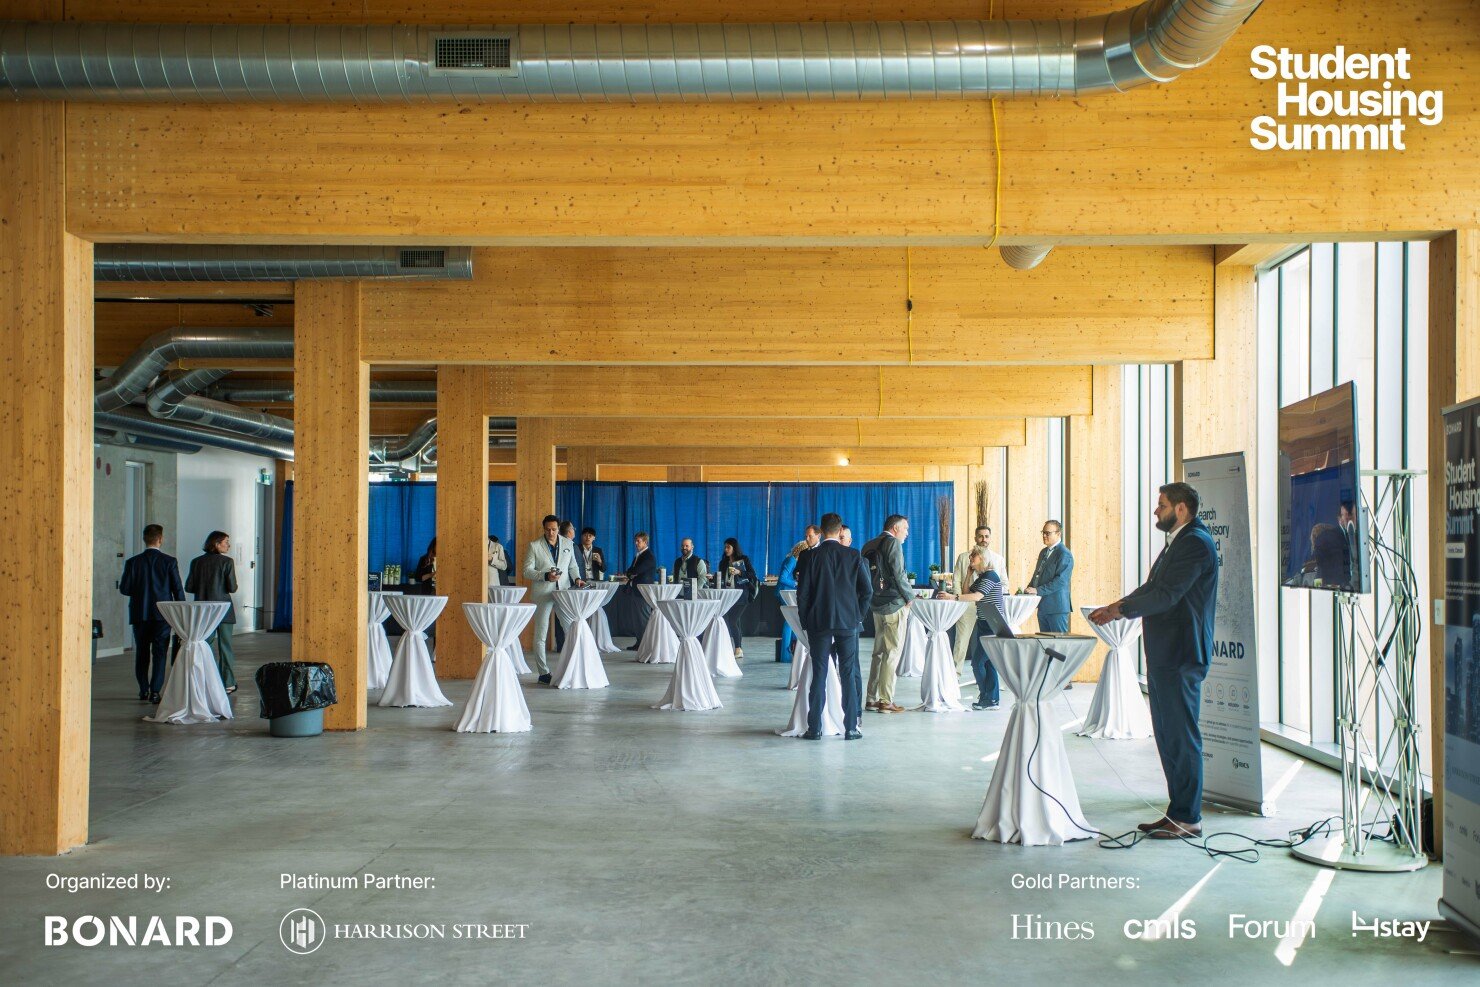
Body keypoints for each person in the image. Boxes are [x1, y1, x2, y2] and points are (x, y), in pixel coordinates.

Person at [1090, 482, 1219, 841]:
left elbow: (1167, 595)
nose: (1155, 511)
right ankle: (1177, 812)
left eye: (1161, 505)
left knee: (1181, 736)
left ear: (1181, 509)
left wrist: (1120, 610)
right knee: (1167, 736)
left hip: (1182, 654)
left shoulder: (1195, 543)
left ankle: (1189, 817)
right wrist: (1117, 606)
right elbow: (1151, 589)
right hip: (1167, 654)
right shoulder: (1178, 542)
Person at [796, 512, 872, 740]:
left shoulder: (811, 557)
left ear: (821, 530)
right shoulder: (853, 555)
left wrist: (805, 621)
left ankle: (814, 728)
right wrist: (858, 616)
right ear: (840, 531)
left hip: (819, 622)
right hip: (848, 622)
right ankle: (851, 727)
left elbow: (802, 594)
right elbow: (867, 591)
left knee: (819, 674)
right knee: (847, 673)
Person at [119, 523, 184, 703]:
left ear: (144, 539)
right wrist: (180, 614)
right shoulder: (169, 561)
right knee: (160, 653)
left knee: (142, 653)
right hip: (162, 615)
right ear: (160, 539)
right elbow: (178, 590)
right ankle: (155, 691)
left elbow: (124, 589)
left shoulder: (132, 562)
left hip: (139, 614)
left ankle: (143, 690)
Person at [939, 546, 1005, 710]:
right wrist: (968, 574)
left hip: (993, 625)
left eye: (973, 557)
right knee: (988, 663)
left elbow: (976, 596)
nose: (970, 560)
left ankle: (986, 697)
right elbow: (966, 592)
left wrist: (952, 597)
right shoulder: (982, 577)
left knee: (977, 663)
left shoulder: (990, 576)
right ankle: (992, 700)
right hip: (985, 623)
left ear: (981, 558)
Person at [860, 514, 912, 714]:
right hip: (894, 605)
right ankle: (886, 700)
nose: (907, 533)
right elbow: (899, 574)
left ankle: (871, 699)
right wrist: (910, 597)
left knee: (879, 653)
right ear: (895, 528)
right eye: (905, 528)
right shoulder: (893, 544)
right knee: (892, 653)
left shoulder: (869, 544)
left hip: (876, 604)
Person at [522, 515, 584, 683]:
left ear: (558, 529)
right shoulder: (534, 546)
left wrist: (577, 578)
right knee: (541, 634)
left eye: (554, 529)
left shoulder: (568, 544)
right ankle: (543, 673)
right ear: (544, 529)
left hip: (563, 592)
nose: (551, 533)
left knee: (570, 628)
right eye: (548, 529)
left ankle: (573, 667)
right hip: (542, 593)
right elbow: (526, 571)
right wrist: (545, 576)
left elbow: (573, 566)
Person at [185, 530, 240, 693]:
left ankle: (204, 681)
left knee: (204, 647)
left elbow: (189, 587)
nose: (228, 545)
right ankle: (228, 683)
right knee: (225, 648)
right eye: (226, 542)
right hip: (223, 610)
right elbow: (232, 588)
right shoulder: (227, 562)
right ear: (216, 544)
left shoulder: (196, 562)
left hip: (203, 611)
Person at [952, 526, 1007, 672]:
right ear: (975, 538)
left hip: (989, 610)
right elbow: (957, 580)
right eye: (981, 536)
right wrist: (960, 601)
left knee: (985, 656)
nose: (984, 539)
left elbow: (1004, 584)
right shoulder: (964, 557)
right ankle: (956, 674)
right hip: (967, 605)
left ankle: (985, 681)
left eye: (987, 536)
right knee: (962, 640)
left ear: (990, 538)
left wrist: (991, 594)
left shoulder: (998, 560)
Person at [1024, 520, 1074, 633]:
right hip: (1043, 606)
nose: (1044, 536)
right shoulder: (1043, 552)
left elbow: (1061, 581)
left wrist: (1037, 590)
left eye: (1048, 533)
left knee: (1059, 642)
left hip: (1057, 607)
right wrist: (1028, 589)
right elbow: (1037, 575)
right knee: (1045, 642)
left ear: (1058, 534)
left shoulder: (1064, 553)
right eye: (1043, 532)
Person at [716, 537, 757, 659]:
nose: (726, 549)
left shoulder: (743, 559)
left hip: (741, 594)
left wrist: (739, 572)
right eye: (725, 547)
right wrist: (714, 578)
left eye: (728, 547)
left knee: (732, 621)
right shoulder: (723, 562)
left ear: (734, 548)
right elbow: (721, 578)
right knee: (734, 621)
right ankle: (736, 647)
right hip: (728, 595)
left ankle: (738, 649)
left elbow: (752, 575)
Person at [776, 540, 808, 659]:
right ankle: (785, 655)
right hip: (786, 593)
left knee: (791, 621)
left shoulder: (792, 560)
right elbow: (782, 578)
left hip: (788, 592)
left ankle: (790, 652)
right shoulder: (792, 560)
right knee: (789, 622)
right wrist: (796, 583)